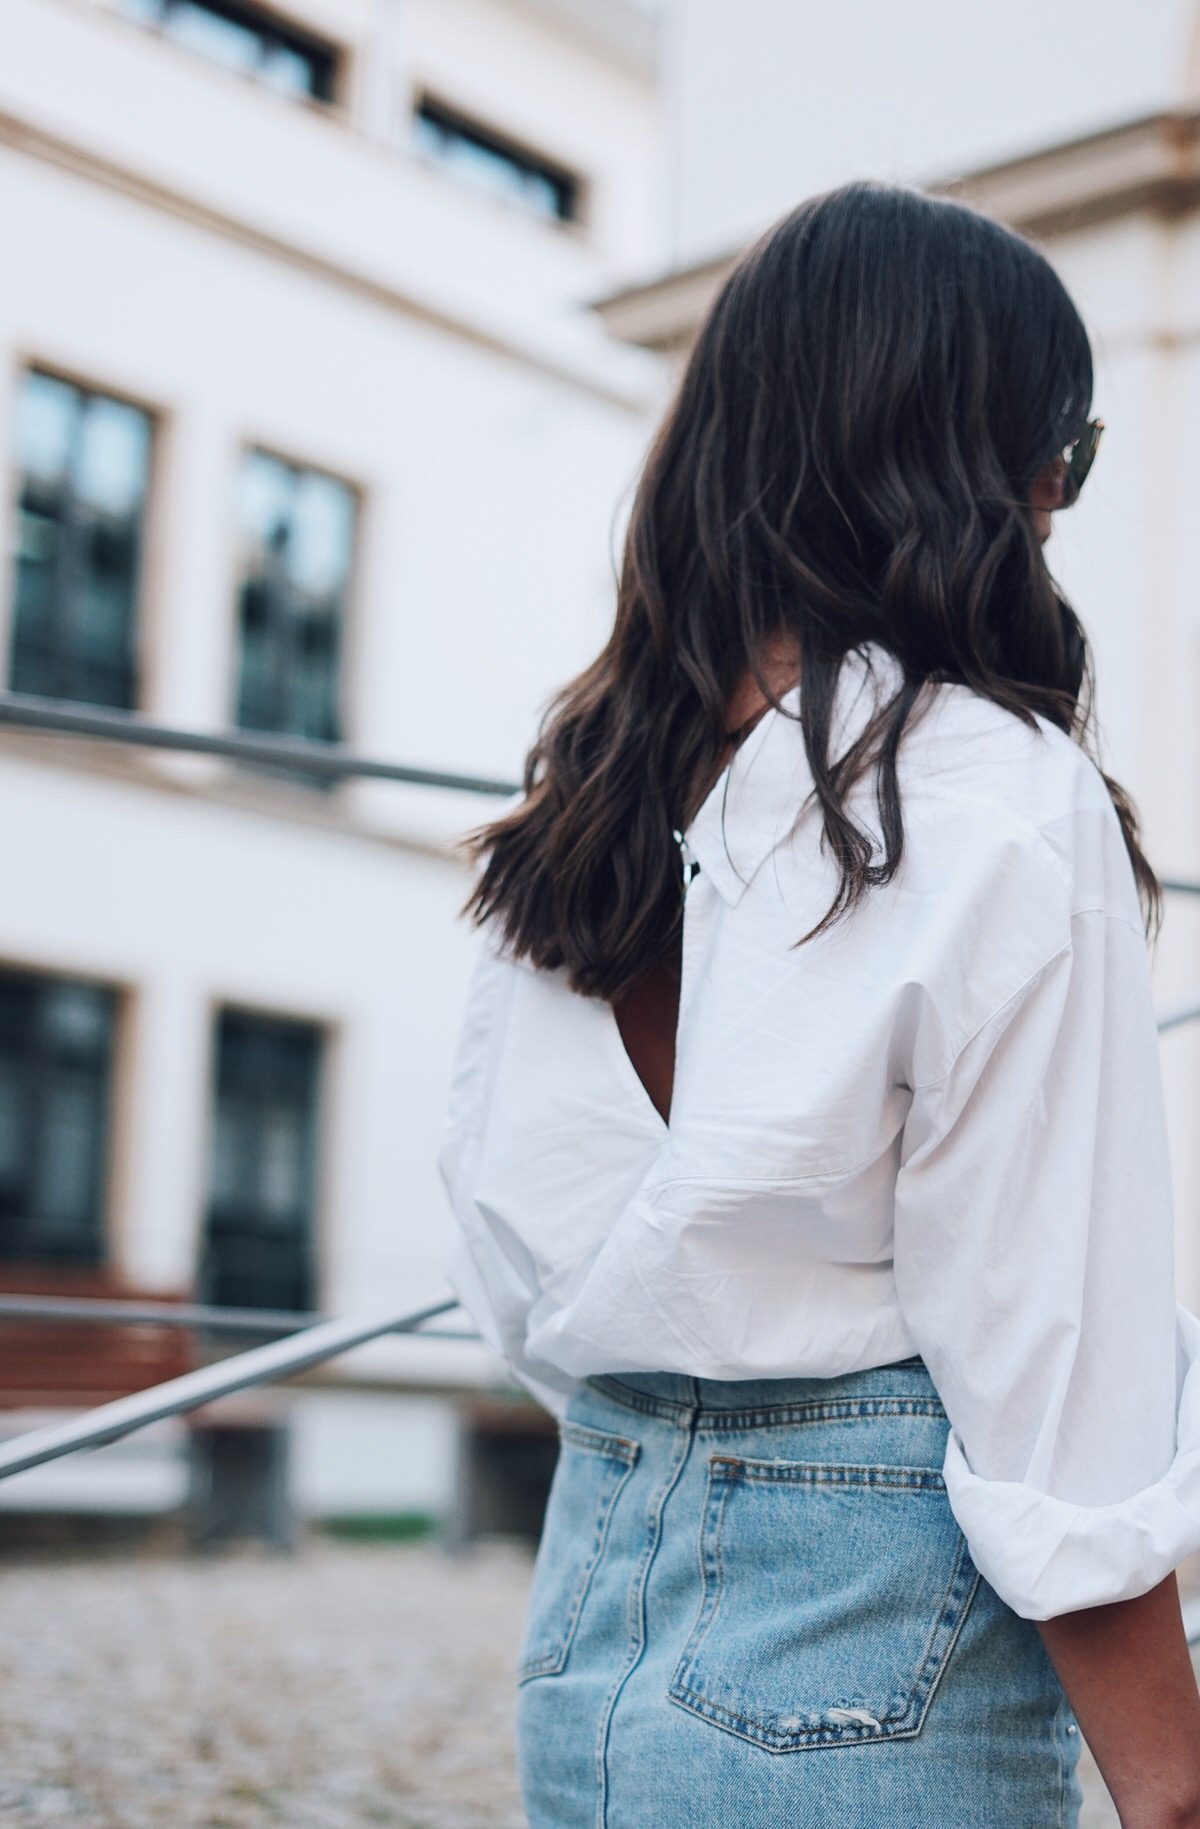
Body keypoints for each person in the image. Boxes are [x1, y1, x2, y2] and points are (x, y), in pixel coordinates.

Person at [436, 178, 1200, 1827]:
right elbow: (1057, 1368)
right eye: (1061, 441)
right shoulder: (993, 791)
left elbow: (509, 1269)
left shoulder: (579, 794)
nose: (1064, 490)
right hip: (877, 1631)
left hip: (594, 1606)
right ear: (976, 457)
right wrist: (1171, 1781)